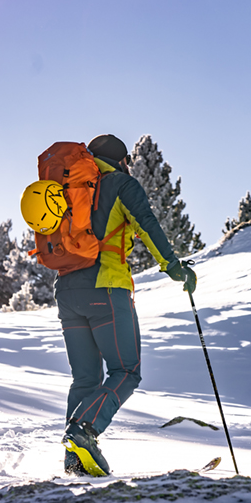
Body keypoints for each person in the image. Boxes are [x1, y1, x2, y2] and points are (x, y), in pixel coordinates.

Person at [57, 134, 195, 476]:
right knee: (126, 371)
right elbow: (146, 224)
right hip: (106, 289)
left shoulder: (68, 188)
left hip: (66, 290)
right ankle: (83, 431)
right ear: (119, 160)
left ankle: (76, 461)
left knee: (85, 378)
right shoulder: (121, 184)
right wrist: (174, 266)